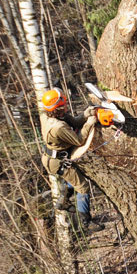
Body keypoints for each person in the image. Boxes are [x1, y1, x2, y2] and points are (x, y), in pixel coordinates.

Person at [39, 87, 104, 232]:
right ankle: (86, 222)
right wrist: (90, 122)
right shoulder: (58, 127)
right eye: (63, 105)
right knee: (83, 187)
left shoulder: (52, 116)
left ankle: (62, 201)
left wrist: (86, 114)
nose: (66, 106)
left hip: (54, 156)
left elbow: (74, 123)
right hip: (57, 161)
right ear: (58, 108)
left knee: (72, 179)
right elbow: (79, 140)